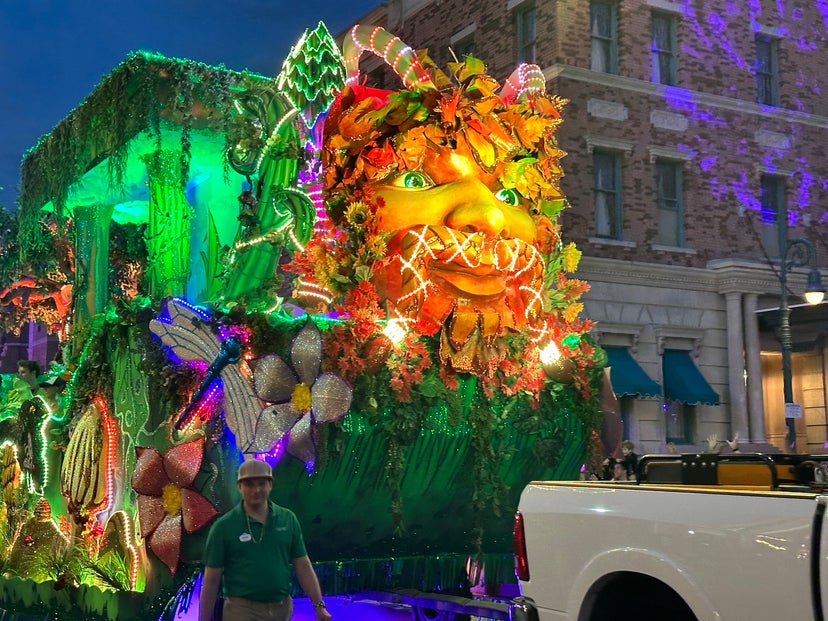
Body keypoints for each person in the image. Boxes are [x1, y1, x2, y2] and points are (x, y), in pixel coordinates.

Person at [199, 459, 332, 621]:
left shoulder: (287, 519)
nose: (256, 490)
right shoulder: (224, 527)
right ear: (240, 486)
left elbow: (302, 565)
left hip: (281, 610)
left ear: (270, 485)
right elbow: (211, 580)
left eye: (261, 484)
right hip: (241, 611)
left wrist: (319, 606)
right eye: (249, 484)